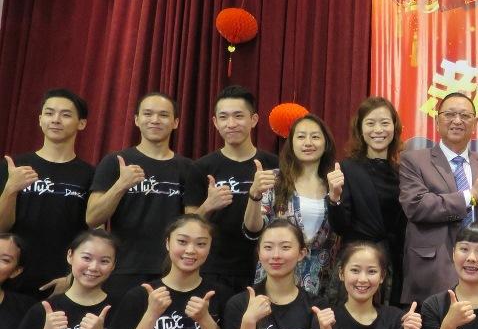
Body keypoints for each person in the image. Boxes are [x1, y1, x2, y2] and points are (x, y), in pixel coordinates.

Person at [88, 92, 205, 301]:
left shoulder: (188, 168)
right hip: (124, 268)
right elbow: (93, 217)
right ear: (136, 119)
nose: (154, 120)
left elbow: (192, 225)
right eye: (148, 114)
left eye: (163, 115)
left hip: (173, 270)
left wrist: (210, 205)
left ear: (175, 122)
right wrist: (120, 186)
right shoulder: (115, 161)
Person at [398, 92, 478, 309]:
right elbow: (416, 206)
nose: (457, 121)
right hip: (432, 269)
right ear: (437, 121)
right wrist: (470, 195)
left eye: (464, 116)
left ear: (475, 123)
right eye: (449, 114)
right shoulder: (414, 160)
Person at [0, 89, 93, 298]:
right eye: (49, 113)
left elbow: (94, 233)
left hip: (62, 283)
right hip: (11, 280)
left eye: (66, 115)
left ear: (82, 123)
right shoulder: (14, 166)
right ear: (40, 119)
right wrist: (10, 190)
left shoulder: (89, 174)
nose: (56, 120)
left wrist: (73, 277)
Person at [194, 85, 279, 293]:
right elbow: (186, 224)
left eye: (238, 116)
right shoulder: (201, 168)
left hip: (264, 266)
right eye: (223, 117)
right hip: (213, 269)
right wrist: (207, 206)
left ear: (254, 120)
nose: (231, 124)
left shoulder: (273, 165)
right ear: (215, 122)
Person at [244, 113, 340, 295]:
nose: (308, 142)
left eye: (315, 136)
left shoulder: (334, 183)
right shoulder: (274, 179)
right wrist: (254, 194)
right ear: (292, 143)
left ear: (326, 143)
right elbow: (252, 229)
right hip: (276, 275)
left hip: (321, 283)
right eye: (301, 136)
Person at [327, 97, 406, 308]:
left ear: (395, 128)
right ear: (360, 129)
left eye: (384, 123)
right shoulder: (348, 169)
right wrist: (333, 197)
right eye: (370, 123)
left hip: (396, 266)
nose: (378, 130)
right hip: (360, 264)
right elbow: (340, 226)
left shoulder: (404, 172)